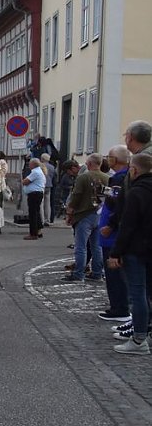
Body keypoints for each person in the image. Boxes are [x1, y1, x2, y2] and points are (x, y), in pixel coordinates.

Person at [108, 152, 152, 355]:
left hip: (136, 249)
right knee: (148, 294)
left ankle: (139, 339)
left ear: (134, 170)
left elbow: (128, 226)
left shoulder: (136, 192)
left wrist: (116, 253)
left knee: (138, 294)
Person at [98, 145, 132, 323]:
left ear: (115, 159)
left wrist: (110, 225)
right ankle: (120, 306)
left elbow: (117, 204)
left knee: (114, 274)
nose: (108, 159)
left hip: (112, 234)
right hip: (112, 231)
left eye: (109, 157)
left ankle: (119, 308)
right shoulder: (122, 176)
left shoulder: (120, 177)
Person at [62, 153, 109, 282]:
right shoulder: (107, 177)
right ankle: (97, 273)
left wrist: (69, 213)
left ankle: (78, 274)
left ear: (89, 164)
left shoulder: (83, 177)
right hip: (99, 214)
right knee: (96, 246)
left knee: (81, 246)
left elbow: (76, 196)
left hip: (83, 214)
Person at [21, 158, 46, 240]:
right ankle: (39, 230)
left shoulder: (35, 172)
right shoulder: (39, 171)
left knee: (33, 214)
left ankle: (33, 233)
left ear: (33, 165)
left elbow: (26, 181)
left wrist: (23, 180)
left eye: (30, 164)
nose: (29, 165)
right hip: (37, 193)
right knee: (36, 212)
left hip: (34, 194)